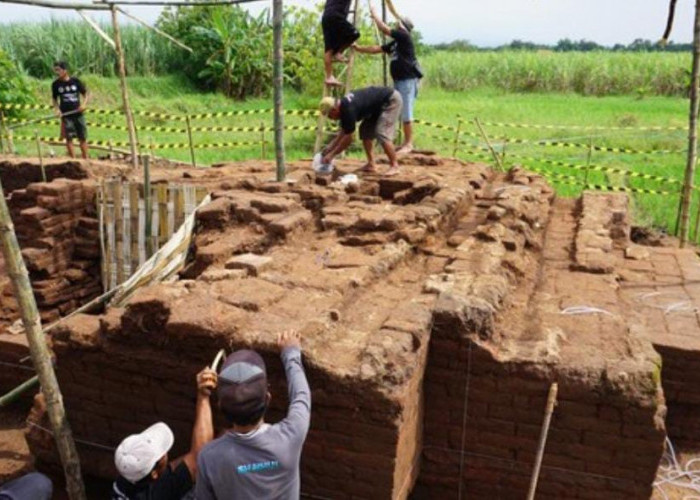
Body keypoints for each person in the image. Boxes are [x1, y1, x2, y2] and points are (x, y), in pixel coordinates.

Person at [195, 330, 311, 500]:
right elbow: (301, 397)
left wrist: (203, 396)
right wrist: (291, 353)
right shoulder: (290, 437)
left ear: (220, 406)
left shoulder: (209, 457)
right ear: (268, 399)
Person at [111, 367, 217, 500]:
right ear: (154, 475)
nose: (165, 452)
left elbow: (172, 468)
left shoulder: (128, 474)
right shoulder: (157, 493)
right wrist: (203, 396)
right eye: (161, 454)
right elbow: (200, 458)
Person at [353, 2, 422, 154]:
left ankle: (409, 144)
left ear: (403, 27)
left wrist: (374, 14)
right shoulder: (397, 43)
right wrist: (360, 49)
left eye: (398, 23)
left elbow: (384, 29)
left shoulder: (404, 36)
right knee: (399, 110)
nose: (396, 25)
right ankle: (404, 143)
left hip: (407, 80)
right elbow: (378, 49)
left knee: (406, 111)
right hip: (399, 80)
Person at [319, 86, 403, 176]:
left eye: (330, 116)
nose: (331, 119)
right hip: (376, 107)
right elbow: (344, 130)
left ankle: (395, 166)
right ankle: (371, 164)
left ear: (334, 110)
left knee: (382, 132)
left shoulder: (348, 109)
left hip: (390, 100)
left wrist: (331, 155)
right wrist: (331, 146)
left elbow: (348, 139)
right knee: (365, 131)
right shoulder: (343, 106)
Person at [51, 61, 89, 159]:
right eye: (55, 70)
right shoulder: (56, 84)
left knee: (82, 138)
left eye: (58, 70)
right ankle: (73, 160)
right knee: (69, 138)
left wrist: (84, 105)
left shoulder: (75, 81)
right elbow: (54, 99)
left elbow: (86, 94)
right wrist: (57, 110)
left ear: (65, 71)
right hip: (66, 115)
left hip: (78, 114)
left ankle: (86, 159)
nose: (57, 72)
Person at [322, 0, 360, 87]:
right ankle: (338, 52)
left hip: (326, 17)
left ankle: (329, 76)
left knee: (329, 48)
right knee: (354, 34)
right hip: (336, 16)